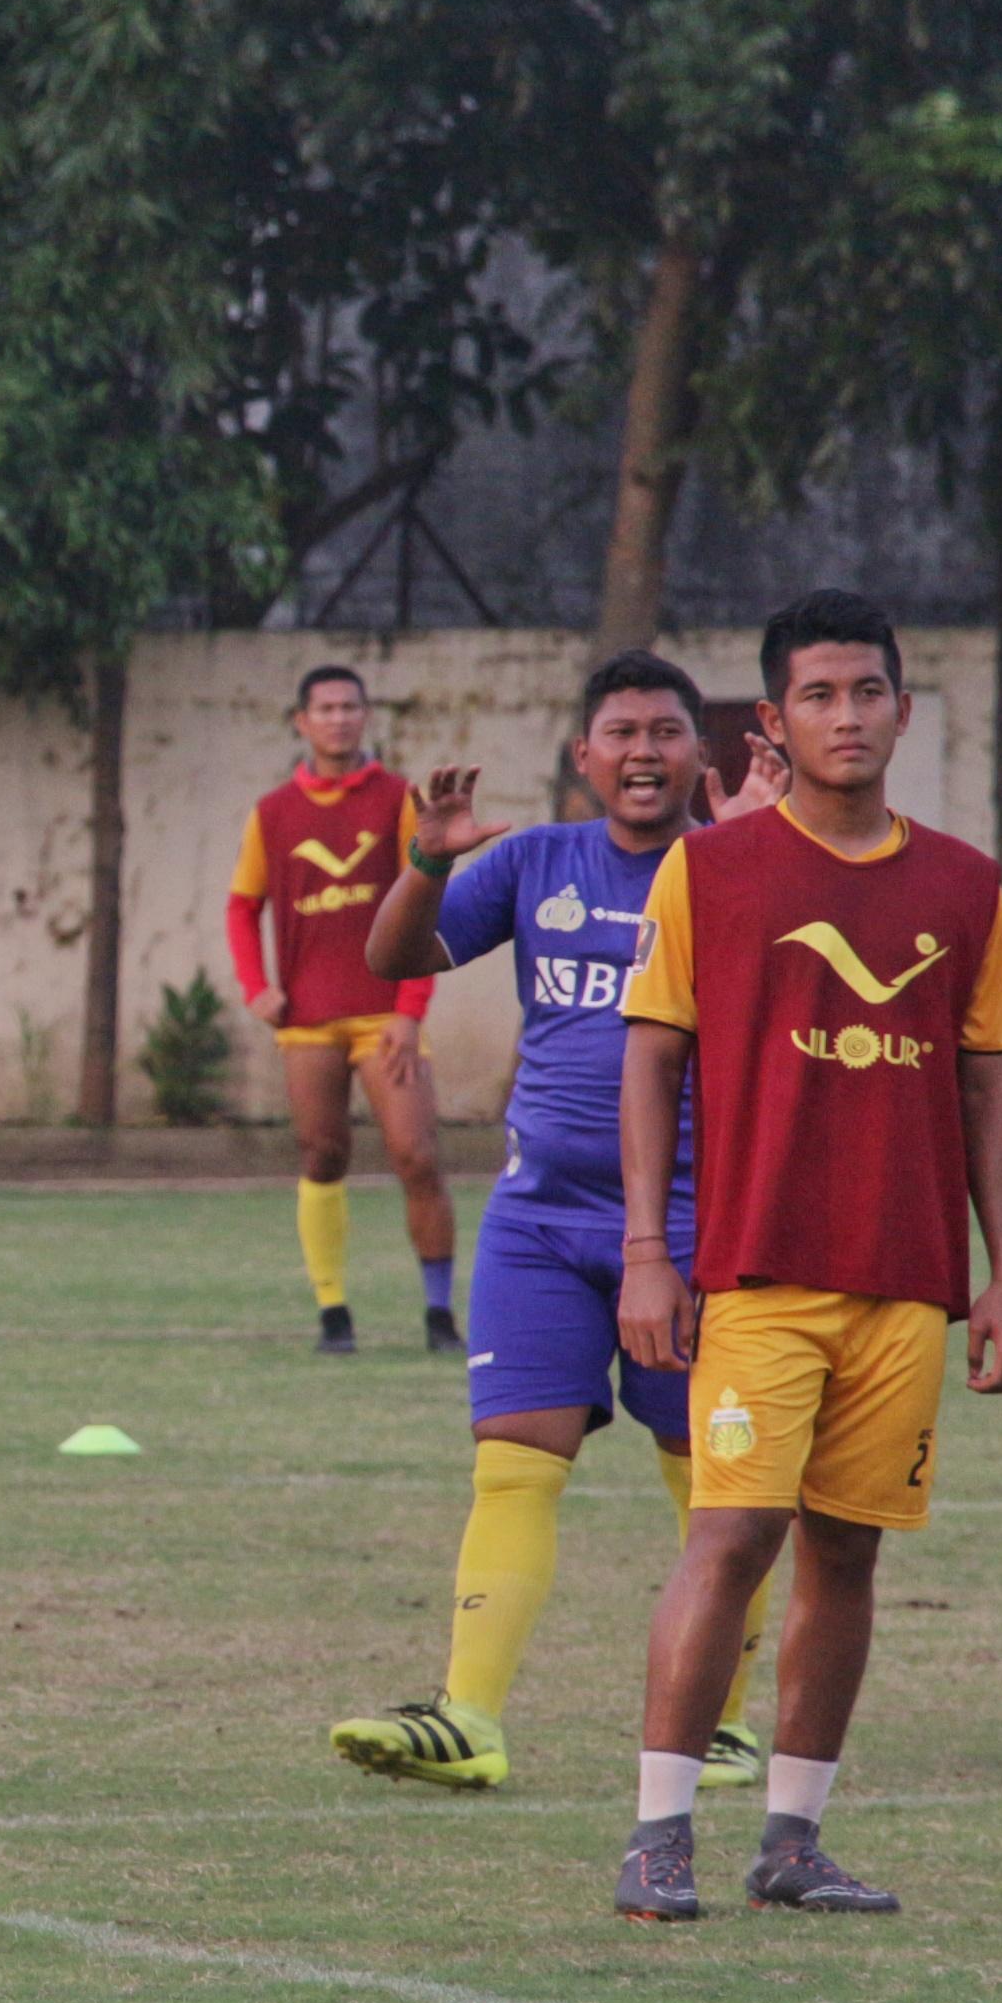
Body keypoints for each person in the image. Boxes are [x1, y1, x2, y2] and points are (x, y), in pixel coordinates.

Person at [610, 589, 1002, 1922]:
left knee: (849, 1553)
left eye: (868, 692)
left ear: (903, 709)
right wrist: (646, 1250)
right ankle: (658, 1837)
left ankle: (793, 1840)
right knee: (730, 1534)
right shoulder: (714, 872)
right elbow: (652, 1058)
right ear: (775, 722)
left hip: (906, 1281)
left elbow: (989, 1084)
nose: (847, 716)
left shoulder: (965, 883)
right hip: (758, 1274)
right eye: (819, 695)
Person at [325, 652, 783, 1792]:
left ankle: (722, 1719)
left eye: (667, 732)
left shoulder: (736, 868)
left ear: (700, 753)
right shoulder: (535, 862)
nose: (644, 752)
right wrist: (428, 861)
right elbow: (392, 956)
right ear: (583, 757)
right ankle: (469, 1715)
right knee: (514, 1465)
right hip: (540, 1217)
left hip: (693, 1225)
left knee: (713, 1478)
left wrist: (760, 858)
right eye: (620, 732)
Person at [227, 664, 460, 1354]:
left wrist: (411, 1007)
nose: (338, 718)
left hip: (384, 1015)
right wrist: (255, 987)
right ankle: (334, 1313)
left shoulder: (398, 800)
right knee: (322, 1154)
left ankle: (440, 1315)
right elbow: (243, 906)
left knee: (416, 1154)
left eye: (349, 707)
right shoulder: (272, 813)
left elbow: (429, 899)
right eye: (324, 708)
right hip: (307, 1020)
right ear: (301, 722)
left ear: (365, 717)